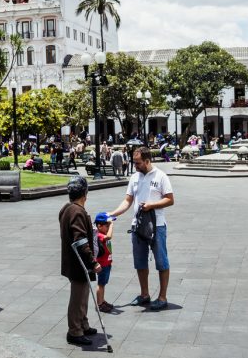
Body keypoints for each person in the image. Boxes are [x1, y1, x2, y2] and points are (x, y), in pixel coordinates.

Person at [109, 146, 175, 311]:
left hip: (157, 225)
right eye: (134, 162)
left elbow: (170, 199)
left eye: (138, 163)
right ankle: (144, 294)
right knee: (140, 261)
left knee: (161, 261)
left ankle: (162, 297)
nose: (135, 166)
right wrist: (112, 213)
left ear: (147, 161)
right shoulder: (134, 177)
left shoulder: (161, 176)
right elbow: (128, 201)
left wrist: (152, 205)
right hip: (137, 225)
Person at [59, 177, 100, 346]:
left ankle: (83, 324)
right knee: (78, 297)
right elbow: (80, 240)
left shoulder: (67, 208)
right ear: (85, 193)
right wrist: (92, 262)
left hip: (73, 261)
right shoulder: (77, 212)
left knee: (83, 295)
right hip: (78, 263)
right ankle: (74, 331)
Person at [94, 212, 115, 313]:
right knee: (101, 284)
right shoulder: (99, 235)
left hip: (107, 263)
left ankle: (102, 300)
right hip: (102, 264)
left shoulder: (103, 234)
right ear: (99, 226)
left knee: (103, 284)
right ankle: (100, 304)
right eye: (107, 226)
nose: (108, 228)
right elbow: (109, 237)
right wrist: (111, 225)